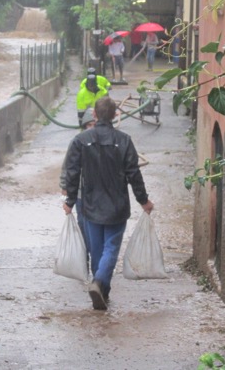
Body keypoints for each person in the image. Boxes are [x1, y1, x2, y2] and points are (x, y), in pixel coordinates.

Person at [62, 97, 154, 311]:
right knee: (110, 248)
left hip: (91, 205)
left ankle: (101, 289)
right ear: (115, 115)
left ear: (94, 114)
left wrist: (69, 201)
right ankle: (100, 284)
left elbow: (72, 173)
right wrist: (144, 200)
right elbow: (134, 174)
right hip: (116, 206)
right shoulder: (124, 140)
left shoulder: (81, 140)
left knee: (96, 250)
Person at [59, 108, 96, 255]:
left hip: (99, 193)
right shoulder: (78, 142)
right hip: (81, 193)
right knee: (83, 224)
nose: (92, 128)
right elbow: (68, 165)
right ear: (85, 126)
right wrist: (64, 186)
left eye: (95, 125)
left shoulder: (107, 141)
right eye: (89, 125)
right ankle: (85, 255)